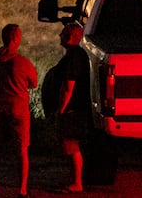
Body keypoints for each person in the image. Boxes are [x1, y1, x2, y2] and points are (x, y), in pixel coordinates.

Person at [0, 23, 38, 198]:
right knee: (21, 149)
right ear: (16, 39)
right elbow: (34, 83)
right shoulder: (21, 62)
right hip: (17, 109)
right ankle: (22, 190)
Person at [54, 22, 92, 193]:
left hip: (73, 108)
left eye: (62, 33)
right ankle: (73, 180)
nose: (59, 36)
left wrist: (61, 110)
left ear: (70, 37)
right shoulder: (79, 55)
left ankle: (77, 182)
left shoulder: (73, 57)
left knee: (71, 145)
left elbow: (68, 86)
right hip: (77, 106)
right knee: (70, 145)